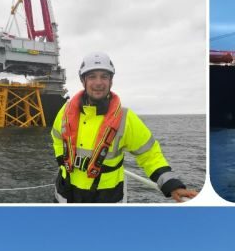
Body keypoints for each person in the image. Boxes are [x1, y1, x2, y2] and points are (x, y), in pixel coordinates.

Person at [50, 52, 198, 203]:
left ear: (111, 81)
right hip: (65, 193)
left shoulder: (126, 118)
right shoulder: (66, 111)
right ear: (83, 81)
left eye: (104, 77)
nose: (98, 82)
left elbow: (149, 154)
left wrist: (171, 184)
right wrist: (61, 158)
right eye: (92, 76)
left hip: (106, 197)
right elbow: (56, 136)